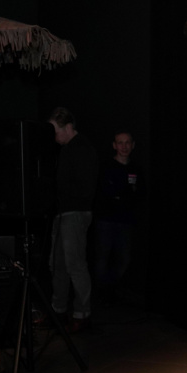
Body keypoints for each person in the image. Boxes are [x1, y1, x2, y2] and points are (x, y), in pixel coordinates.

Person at [48, 107, 98, 333]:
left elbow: (85, 188)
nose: (54, 136)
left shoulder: (82, 149)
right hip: (63, 213)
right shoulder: (67, 149)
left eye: (56, 131)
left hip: (75, 213)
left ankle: (82, 314)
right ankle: (58, 311)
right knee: (58, 264)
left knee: (75, 264)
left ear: (68, 127)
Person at [92, 130, 141, 306]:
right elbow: (105, 193)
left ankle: (110, 290)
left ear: (133, 145)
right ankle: (99, 296)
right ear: (114, 145)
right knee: (102, 258)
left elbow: (137, 195)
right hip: (106, 221)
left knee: (124, 259)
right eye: (120, 142)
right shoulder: (106, 166)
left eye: (127, 142)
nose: (124, 146)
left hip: (126, 221)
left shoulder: (135, 168)